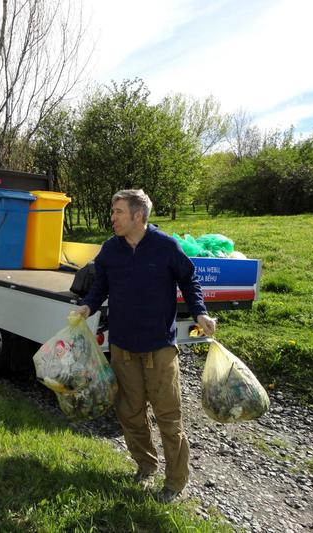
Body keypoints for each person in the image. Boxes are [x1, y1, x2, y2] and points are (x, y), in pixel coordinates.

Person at [76, 189, 216, 504]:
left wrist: (200, 312)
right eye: (113, 212)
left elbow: (189, 281)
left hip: (160, 347)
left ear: (138, 216)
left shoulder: (166, 246)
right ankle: (145, 465)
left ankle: (176, 482)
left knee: (169, 416)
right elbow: (100, 285)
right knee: (130, 413)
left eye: (118, 212)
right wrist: (87, 307)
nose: (112, 217)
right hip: (124, 346)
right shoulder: (110, 249)